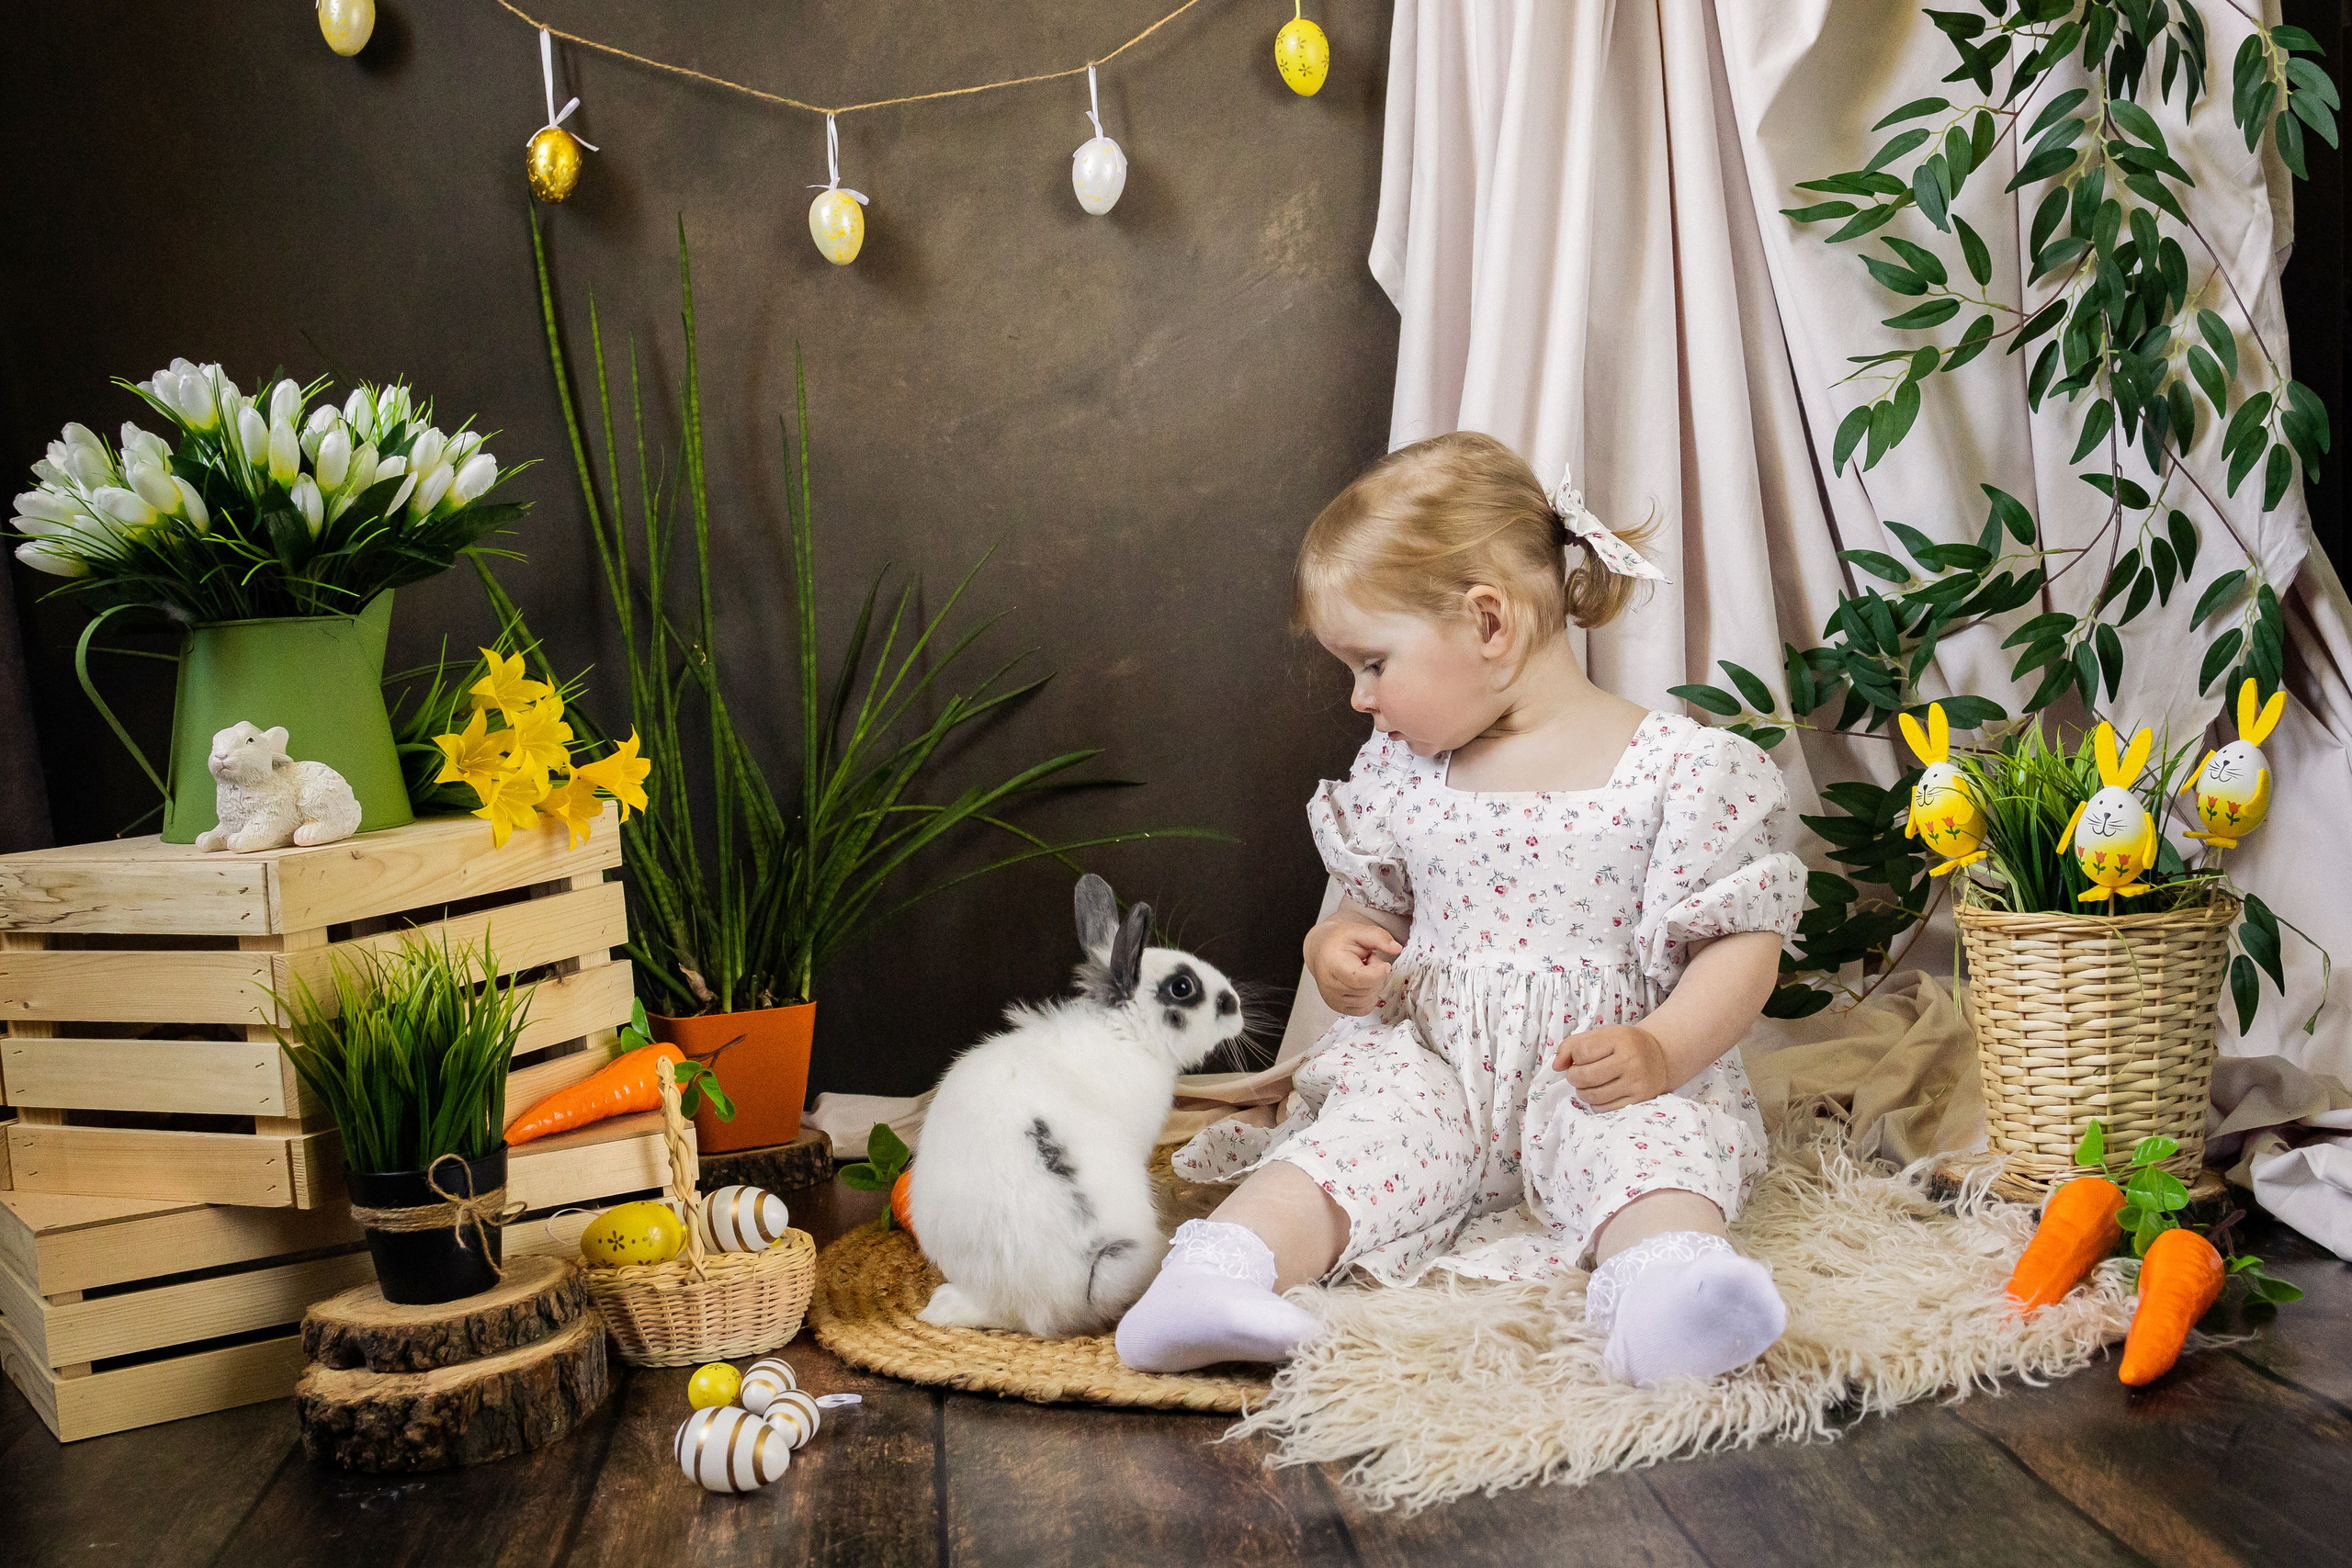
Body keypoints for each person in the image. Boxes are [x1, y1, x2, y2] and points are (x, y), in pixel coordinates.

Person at [1114, 430, 1807, 1386]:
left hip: (1596, 1076)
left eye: (1371, 663)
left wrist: (1660, 1051)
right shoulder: (1404, 774)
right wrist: (1336, 943)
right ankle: (1215, 1275)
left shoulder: (1679, 770)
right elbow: (1372, 903)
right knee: (1354, 1138)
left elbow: (1740, 944)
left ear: (1489, 623)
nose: (1359, 699)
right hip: (1435, 1068)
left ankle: (1666, 1291)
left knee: (1654, 1145)